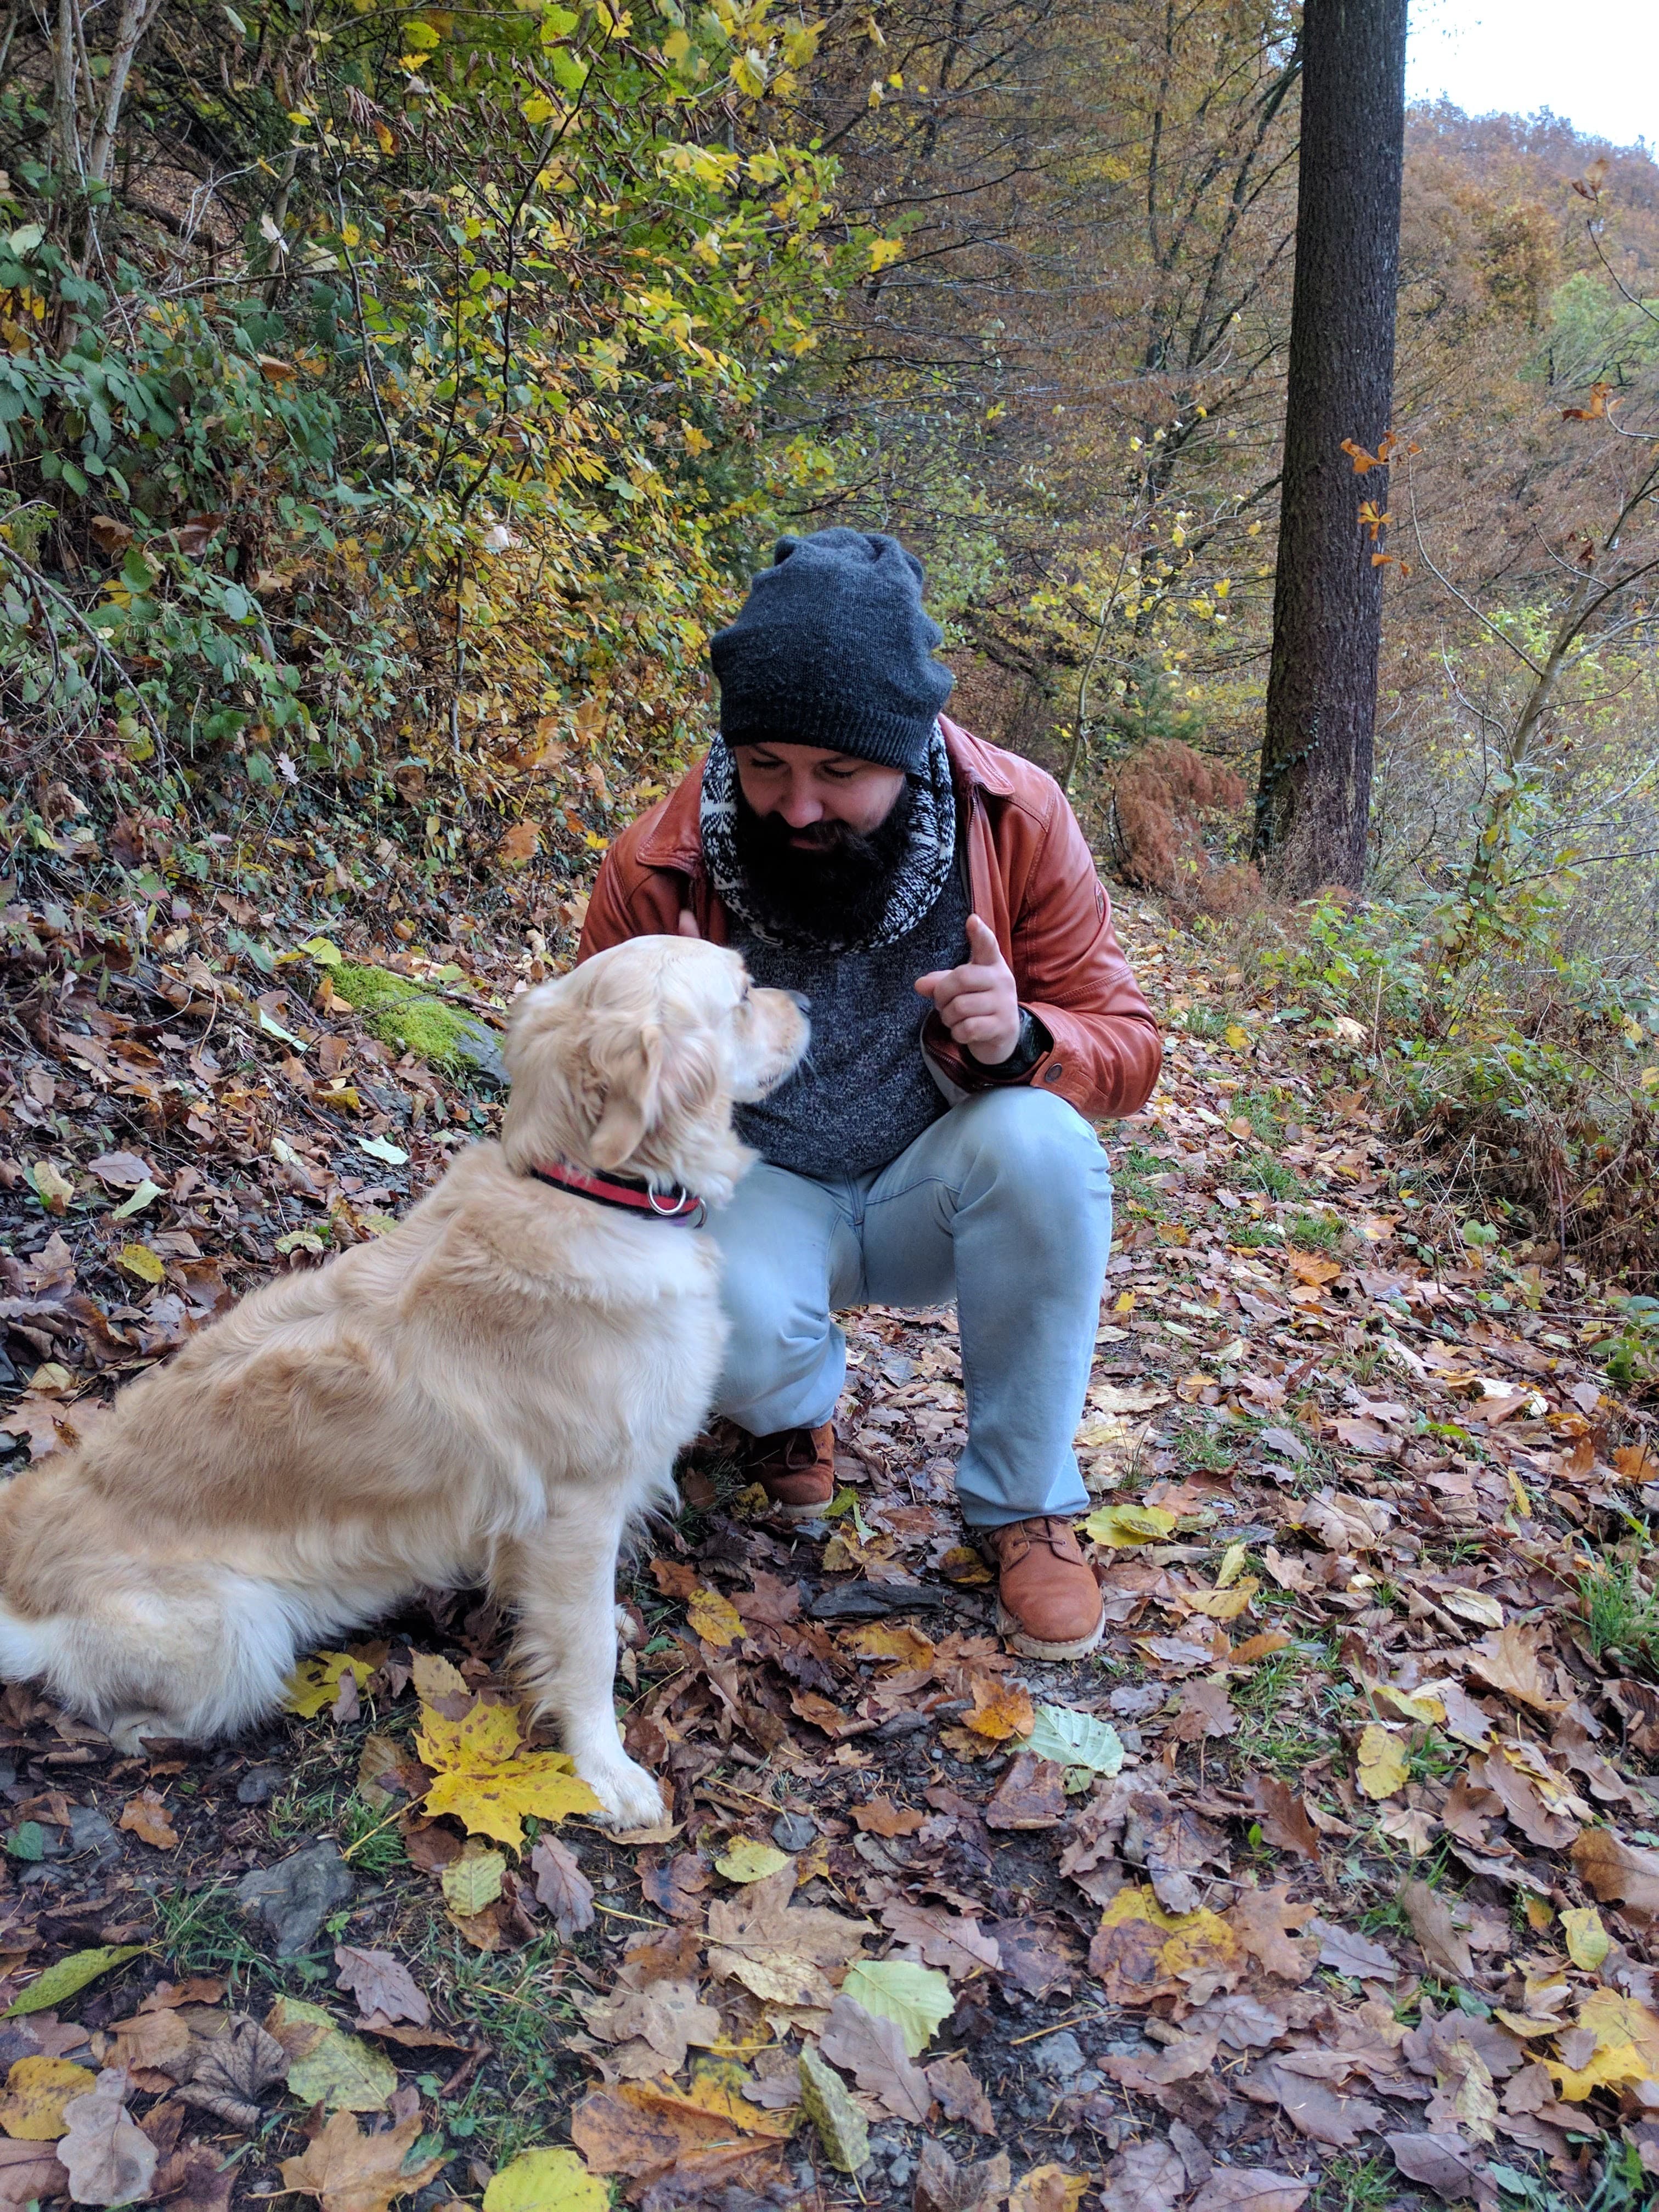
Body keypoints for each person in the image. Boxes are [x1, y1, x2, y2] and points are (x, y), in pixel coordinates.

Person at [578, 528, 1161, 1657]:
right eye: (764, 767)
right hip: (757, 1186)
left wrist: (1024, 1037)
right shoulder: (659, 859)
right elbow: (584, 1107)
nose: (797, 809)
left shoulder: (1017, 816)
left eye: (839, 774)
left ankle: (1025, 1502)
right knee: (725, 1329)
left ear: (909, 748)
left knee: (1044, 1145)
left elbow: (1131, 1047)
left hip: (935, 1182)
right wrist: (650, 1059)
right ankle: (789, 1415)